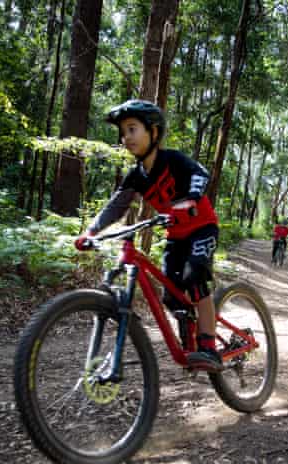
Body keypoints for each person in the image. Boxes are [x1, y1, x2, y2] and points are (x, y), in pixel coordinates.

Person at [74, 99, 222, 372]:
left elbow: (200, 174)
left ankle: (209, 347)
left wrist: (190, 200)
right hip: (176, 236)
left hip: (202, 228)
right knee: (170, 294)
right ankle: (189, 339)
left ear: (153, 132)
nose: (126, 137)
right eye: (123, 132)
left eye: (132, 129)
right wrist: (92, 231)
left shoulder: (173, 160)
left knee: (195, 276)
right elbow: (116, 206)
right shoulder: (137, 176)